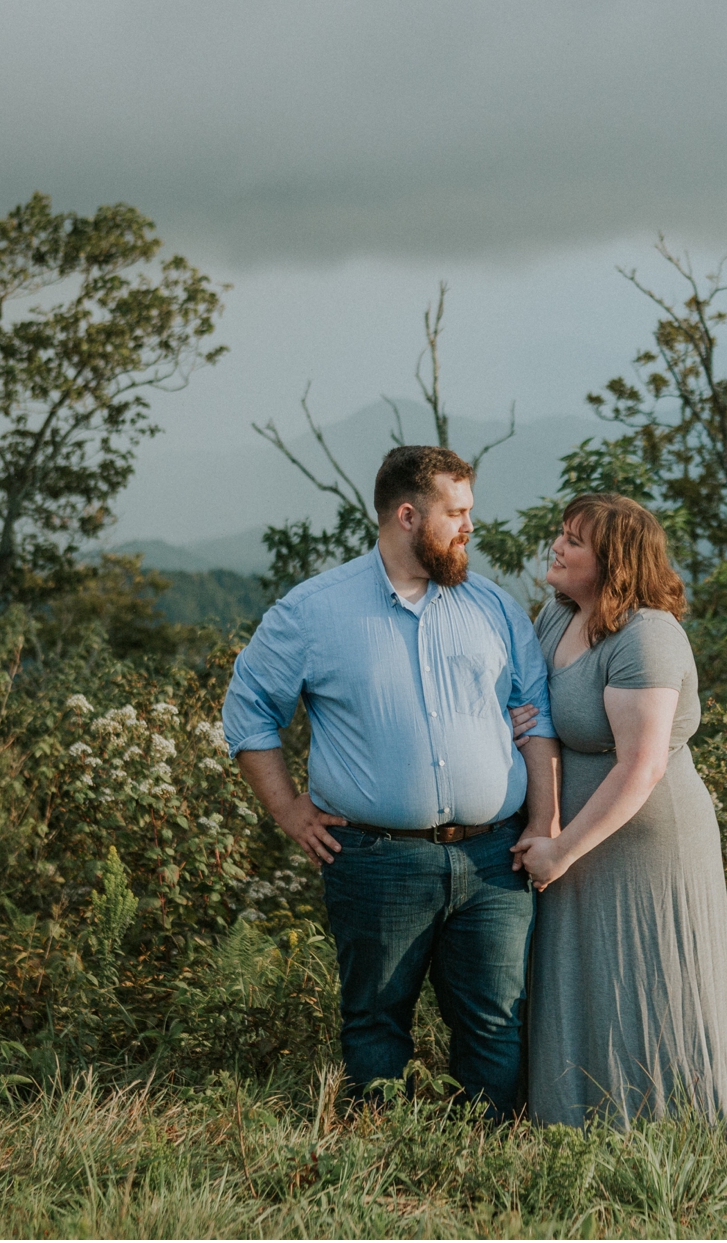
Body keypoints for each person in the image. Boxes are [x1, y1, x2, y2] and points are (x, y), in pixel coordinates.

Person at [221, 445, 561, 1119]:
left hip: (495, 858)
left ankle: (487, 1174)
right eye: (455, 512)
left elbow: (536, 716)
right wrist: (288, 809)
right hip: (375, 861)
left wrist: (545, 826)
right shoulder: (313, 611)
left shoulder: (493, 607)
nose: (470, 526)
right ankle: (383, 1169)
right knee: (375, 1023)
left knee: (496, 1026)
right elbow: (248, 708)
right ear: (408, 515)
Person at [511, 493, 727, 1141]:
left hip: (648, 848)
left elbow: (641, 766)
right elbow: (536, 719)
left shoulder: (648, 635)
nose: (556, 548)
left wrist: (561, 850)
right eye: (560, 534)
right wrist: (546, 821)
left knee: (655, 985)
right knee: (582, 983)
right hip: (575, 840)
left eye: (574, 541)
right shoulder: (556, 619)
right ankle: (576, 1138)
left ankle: (681, 1143)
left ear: (614, 562)